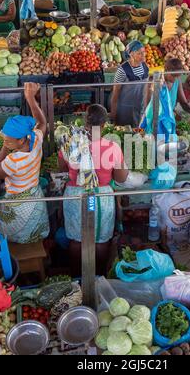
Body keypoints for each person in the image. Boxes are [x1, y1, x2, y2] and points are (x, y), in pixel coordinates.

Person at [58, 104, 128, 276]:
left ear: (84, 122)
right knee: (101, 240)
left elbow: (62, 172)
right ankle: (99, 277)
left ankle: (76, 278)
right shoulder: (113, 147)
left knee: (76, 239)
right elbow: (121, 178)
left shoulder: (68, 144)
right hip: (101, 198)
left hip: (75, 196)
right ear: (104, 125)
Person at [0, 83, 50, 244]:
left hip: (19, 206)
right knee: (34, 231)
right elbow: (42, 123)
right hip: (35, 198)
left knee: (10, 232)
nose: (6, 142)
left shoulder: (13, 160)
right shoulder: (35, 140)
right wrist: (31, 99)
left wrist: (4, 149)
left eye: (9, 140)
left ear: (22, 139)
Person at [141, 58, 190, 137]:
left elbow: (183, 102)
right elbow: (148, 105)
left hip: (168, 120)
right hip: (153, 119)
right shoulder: (154, 81)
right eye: (174, 76)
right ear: (166, 70)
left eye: (178, 76)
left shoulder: (177, 81)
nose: (176, 78)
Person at [111, 40, 149, 128]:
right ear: (131, 54)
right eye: (140, 53)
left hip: (141, 108)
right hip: (125, 111)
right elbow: (115, 94)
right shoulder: (122, 70)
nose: (143, 55)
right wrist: (113, 115)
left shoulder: (145, 66)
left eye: (144, 52)